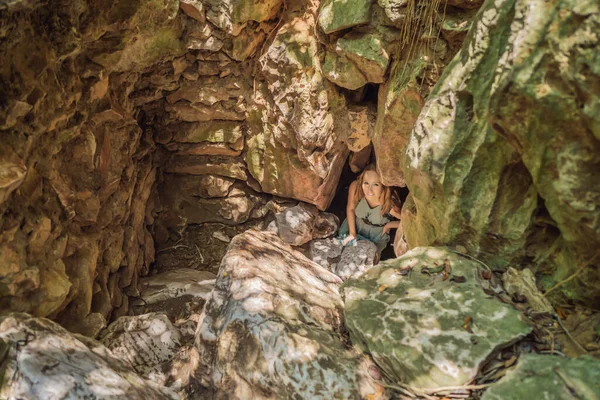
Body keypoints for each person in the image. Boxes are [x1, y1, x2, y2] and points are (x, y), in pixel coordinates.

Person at [338, 164, 401, 255]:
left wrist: (389, 225)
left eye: (375, 184)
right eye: (366, 183)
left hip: (375, 236)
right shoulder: (356, 187)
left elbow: (410, 221)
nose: (369, 190)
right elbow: (350, 208)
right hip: (354, 227)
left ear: (383, 186)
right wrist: (352, 234)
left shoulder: (389, 203)